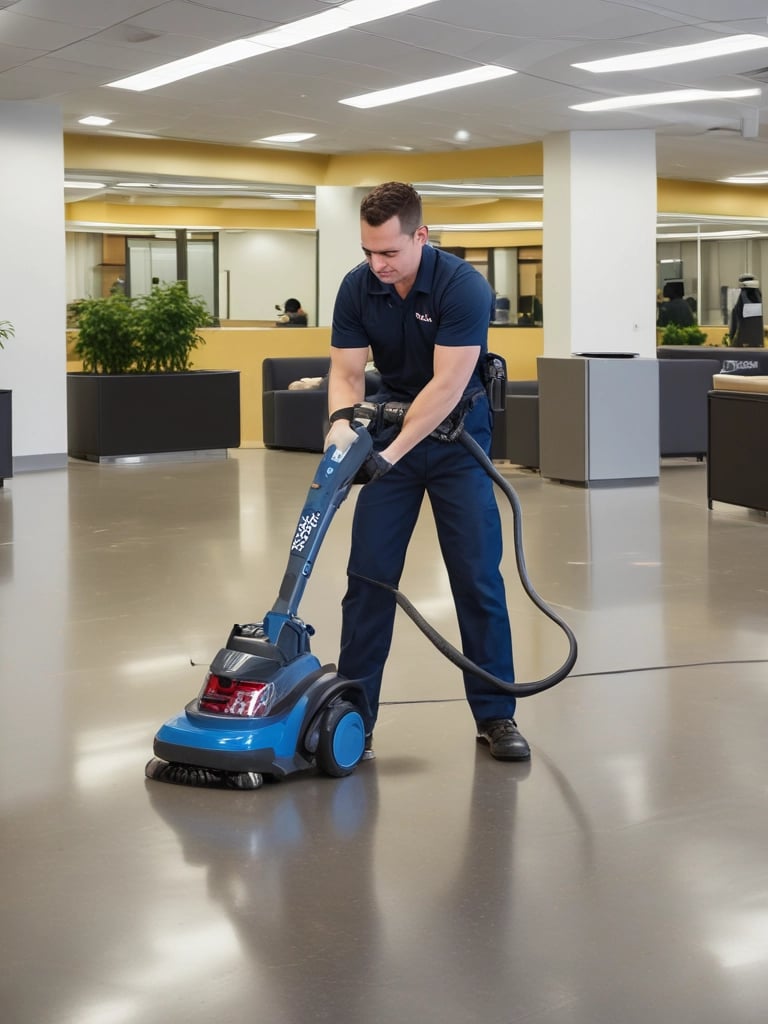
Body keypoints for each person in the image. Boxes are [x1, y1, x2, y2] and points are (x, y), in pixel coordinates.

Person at [324, 181, 529, 762]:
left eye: (389, 252)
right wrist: (341, 426)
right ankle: (355, 721)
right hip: (391, 428)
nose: (377, 264)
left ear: (421, 236)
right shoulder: (357, 286)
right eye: (368, 251)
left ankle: (496, 716)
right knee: (368, 578)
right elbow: (345, 370)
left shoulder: (463, 286)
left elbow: (446, 386)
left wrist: (388, 457)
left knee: (476, 577)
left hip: (456, 437)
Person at [729, 274, 764, 348]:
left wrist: (731, 338)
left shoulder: (742, 296)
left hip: (743, 341)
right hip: (758, 342)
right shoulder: (757, 296)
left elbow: (735, 321)